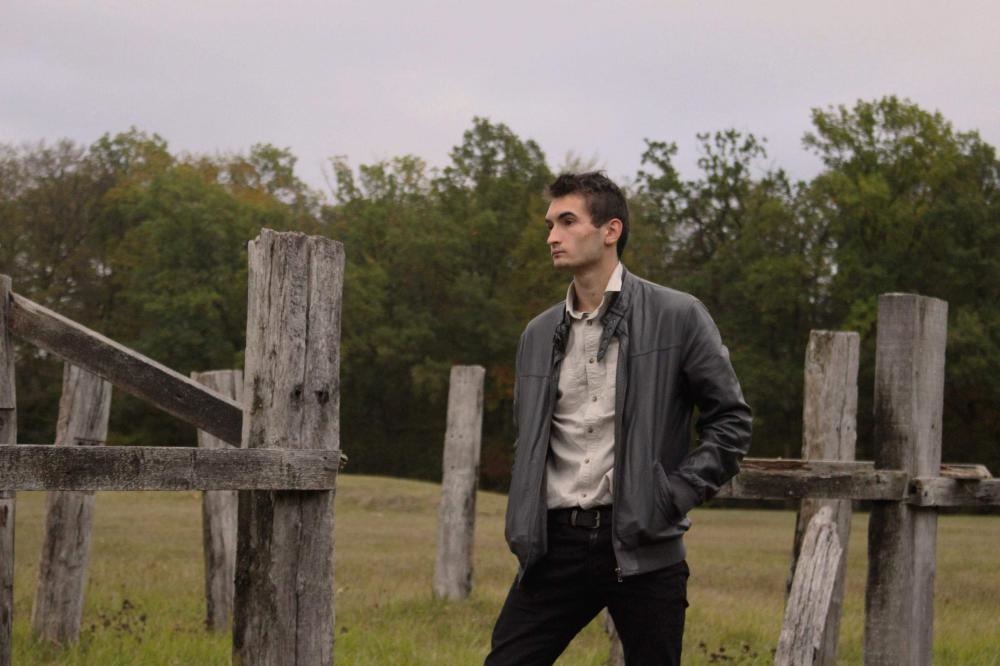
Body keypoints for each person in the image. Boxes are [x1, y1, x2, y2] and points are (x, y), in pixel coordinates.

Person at [485, 172, 752, 666]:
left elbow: (730, 422)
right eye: (550, 224)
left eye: (568, 222)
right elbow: (531, 438)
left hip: (643, 543)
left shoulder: (678, 315)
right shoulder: (538, 333)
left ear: (611, 230)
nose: (552, 236)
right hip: (555, 544)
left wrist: (670, 496)